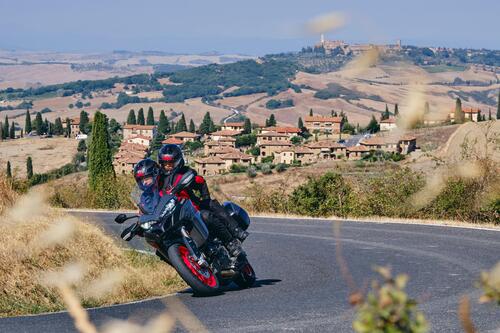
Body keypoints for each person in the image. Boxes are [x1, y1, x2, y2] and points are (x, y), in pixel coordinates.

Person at [157, 144, 247, 257]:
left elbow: (200, 181)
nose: (168, 166)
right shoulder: (158, 180)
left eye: (171, 163)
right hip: (173, 217)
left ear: (178, 161)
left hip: (192, 211)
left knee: (207, 212)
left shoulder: (184, 172)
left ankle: (232, 240)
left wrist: (205, 199)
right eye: (165, 163)